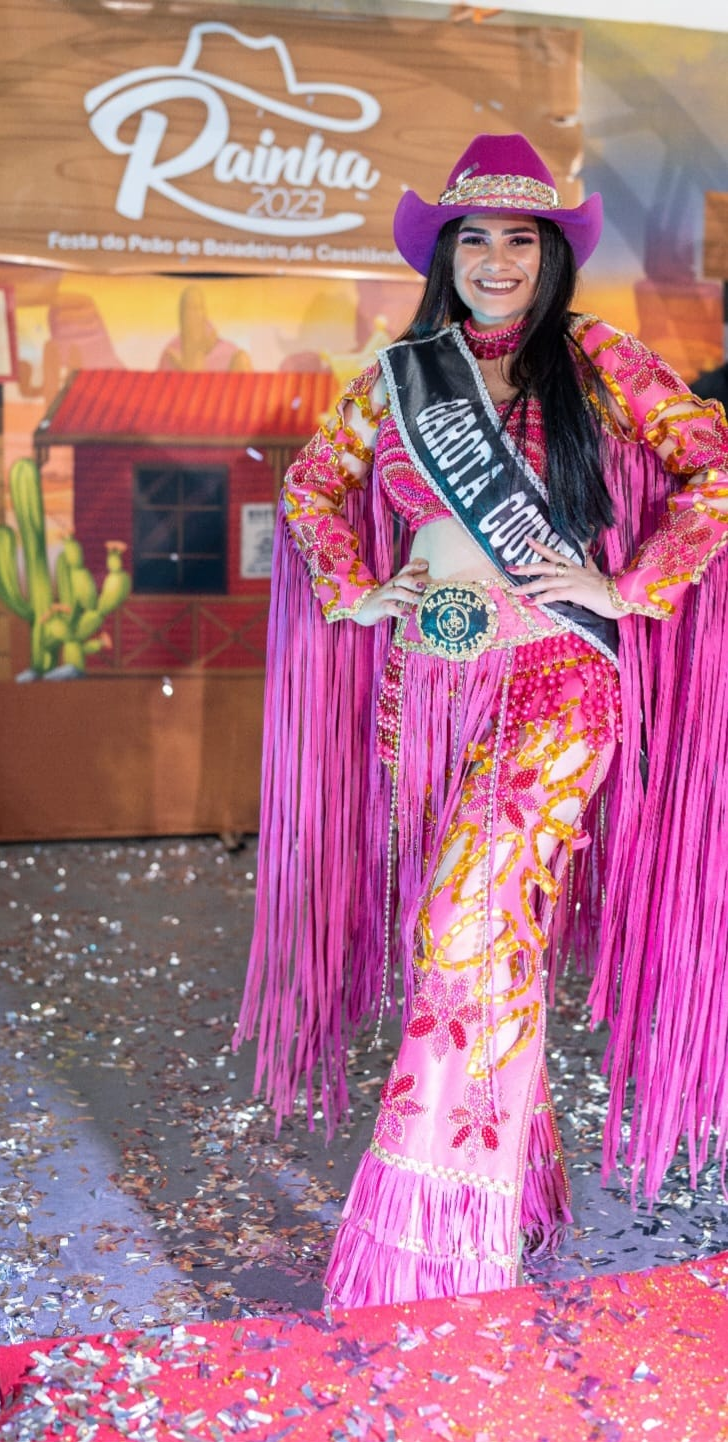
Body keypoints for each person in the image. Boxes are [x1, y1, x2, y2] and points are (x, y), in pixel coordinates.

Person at [235, 133, 728, 1306]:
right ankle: (514, 1193)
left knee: (463, 931)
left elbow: (714, 466)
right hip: (430, 682)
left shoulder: (599, 360)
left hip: (558, 681)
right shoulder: (405, 372)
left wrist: (629, 585)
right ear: (444, 252)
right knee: (475, 944)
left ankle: (431, 1232)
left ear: (552, 257)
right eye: (474, 237)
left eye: (520, 239)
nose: (496, 258)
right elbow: (311, 482)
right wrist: (360, 585)